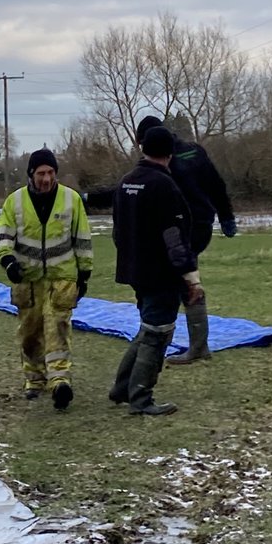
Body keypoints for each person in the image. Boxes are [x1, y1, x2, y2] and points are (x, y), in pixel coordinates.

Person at [84, 114, 237, 364]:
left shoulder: (163, 162)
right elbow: (217, 186)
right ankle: (193, 340)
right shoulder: (194, 151)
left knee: (172, 279)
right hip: (200, 226)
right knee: (182, 275)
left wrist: (89, 198)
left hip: (184, 228)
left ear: (147, 141)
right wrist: (226, 217)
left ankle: (163, 332)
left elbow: (125, 188)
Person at [109, 125, 203, 416]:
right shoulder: (164, 185)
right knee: (158, 332)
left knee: (147, 327)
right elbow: (174, 237)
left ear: (143, 148)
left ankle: (122, 388)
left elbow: (117, 231)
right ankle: (141, 398)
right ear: (170, 153)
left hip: (134, 270)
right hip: (161, 273)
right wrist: (191, 278)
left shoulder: (126, 183)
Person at [0, 147, 94, 409]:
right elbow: (2, 236)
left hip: (62, 278)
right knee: (30, 332)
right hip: (27, 280)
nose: (46, 178)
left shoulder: (72, 200)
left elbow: (82, 239)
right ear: (31, 174)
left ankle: (60, 380)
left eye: (50, 173)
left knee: (58, 329)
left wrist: (84, 274)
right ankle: (34, 379)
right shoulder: (14, 202)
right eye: (41, 173)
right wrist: (8, 261)